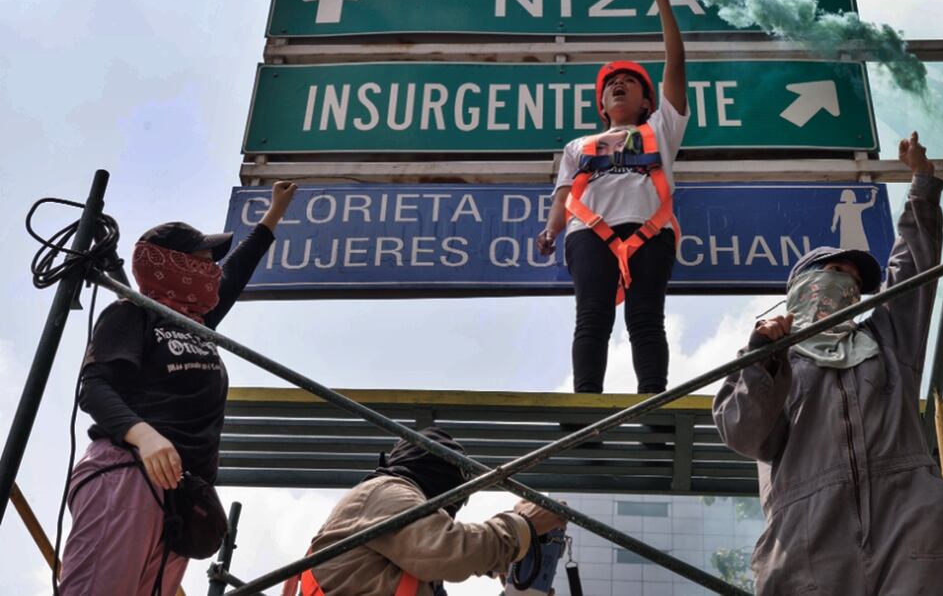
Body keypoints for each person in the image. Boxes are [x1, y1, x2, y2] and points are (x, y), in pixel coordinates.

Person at [713, 133, 943, 594]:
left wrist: (922, 187)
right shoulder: (774, 359)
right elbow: (743, 432)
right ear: (800, 290)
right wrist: (762, 359)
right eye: (834, 274)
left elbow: (911, 272)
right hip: (808, 535)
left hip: (907, 520)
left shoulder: (886, 341)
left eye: (855, 283)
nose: (846, 288)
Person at [58, 181, 297, 596]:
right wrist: (144, 436)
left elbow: (238, 270)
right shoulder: (132, 313)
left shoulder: (198, 322)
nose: (212, 272)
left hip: (181, 494)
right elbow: (94, 387)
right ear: (173, 265)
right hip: (130, 471)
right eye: (203, 261)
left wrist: (275, 213)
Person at [536, 0, 689, 395]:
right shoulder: (578, 146)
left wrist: (662, 0)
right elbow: (564, 193)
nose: (619, 86)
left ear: (647, 102)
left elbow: (675, 64)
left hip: (650, 231)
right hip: (589, 233)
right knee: (592, 316)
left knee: (645, 318)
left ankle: (653, 406)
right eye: (612, 84)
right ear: (602, 104)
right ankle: (586, 410)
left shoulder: (660, 129)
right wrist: (551, 229)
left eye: (630, 83)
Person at [292, 427, 566, 596]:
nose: (449, 516)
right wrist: (521, 526)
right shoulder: (385, 491)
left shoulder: (410, 560)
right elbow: (453, 552)